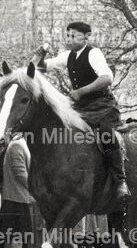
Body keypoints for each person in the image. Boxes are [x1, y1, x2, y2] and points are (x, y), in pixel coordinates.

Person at [37, 21, 130, 202]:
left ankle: (120, 180)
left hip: (102, 105)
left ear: (86, 37)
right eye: (68, 35)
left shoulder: (93, 53)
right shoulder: (67, 56)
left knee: (106, 134)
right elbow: (43, 68)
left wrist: (81, 91)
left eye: (73, 36)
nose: (69, 39)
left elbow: (107, 78)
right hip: (82, 108)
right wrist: (39, 56)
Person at [0, 133, 34, 248]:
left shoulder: (20, 144)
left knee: (15, 232)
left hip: (18, 196)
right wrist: (34, 188)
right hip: (16, 196)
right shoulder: (17, 145)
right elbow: (20, 173)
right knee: (17, 232)